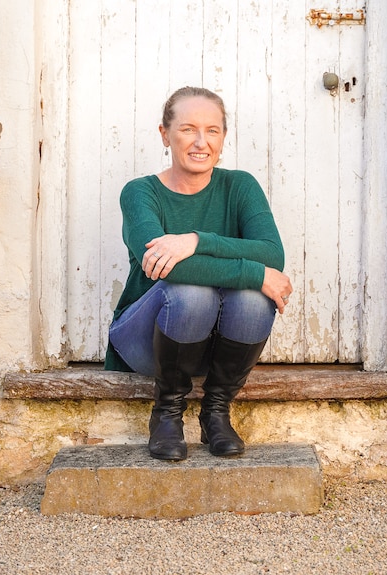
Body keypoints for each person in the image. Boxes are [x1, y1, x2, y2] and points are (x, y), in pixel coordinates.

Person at [105, 87, 293, 461]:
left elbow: (273, 253)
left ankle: (216, 412)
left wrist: (195, 240)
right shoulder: (141, 193)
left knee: (255, 301)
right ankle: (167, 415)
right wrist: (256, 274)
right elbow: (162, 266)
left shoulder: (240, 186)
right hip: (148, 343)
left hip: (215, 348)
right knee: (192, 291)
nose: (201, 143)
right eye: (188, 129)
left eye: (212, 131)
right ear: (165, 135)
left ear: (223, 138)